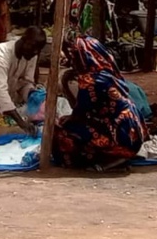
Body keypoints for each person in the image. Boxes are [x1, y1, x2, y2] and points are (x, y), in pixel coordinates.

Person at [54, 36, 148, 170]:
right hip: (133, 133)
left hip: (121, 138)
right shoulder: (107, 70)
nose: (70, 60)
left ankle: (105, 159)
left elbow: (79, 112)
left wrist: (65, 82)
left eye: (72, 56)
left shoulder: (89, 80)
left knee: (62, 130)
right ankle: (119, 157)